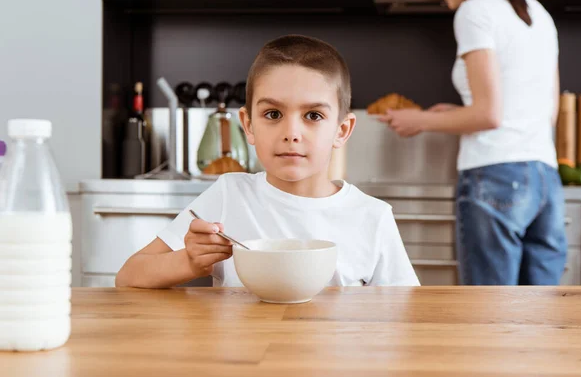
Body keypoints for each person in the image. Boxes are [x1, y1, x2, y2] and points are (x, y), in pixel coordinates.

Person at [116, 34, 420, 289]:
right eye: (273, 114)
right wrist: (189, 262)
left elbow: (406, 312)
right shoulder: (228, 194)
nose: (291, 134)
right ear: (248, 125)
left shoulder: (372, 217)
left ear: (342, 131)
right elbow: (128, 277)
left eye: (313, 116)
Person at [374, 0, 567, 285]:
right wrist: (455, 114)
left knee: (488, 310)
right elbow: (546, 114)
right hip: (545, 178)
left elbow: (489, 115)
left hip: (495, 175)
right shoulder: (537, 12)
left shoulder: (475, 11)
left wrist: (420, 120)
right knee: (540, 311)